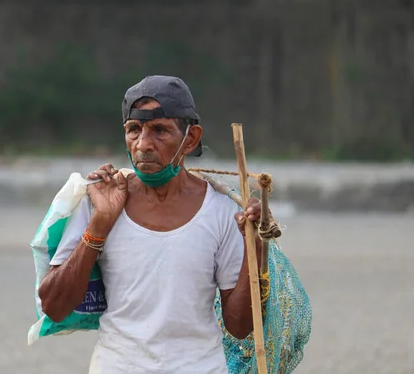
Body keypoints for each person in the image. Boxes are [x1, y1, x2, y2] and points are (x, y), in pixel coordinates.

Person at [38, 75, 266, 373]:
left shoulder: (222, 210)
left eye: (160, 131)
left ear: (191, 139)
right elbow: (54, 307)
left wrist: (256, 243)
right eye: (134, 130)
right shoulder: (99, 199)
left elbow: (239, 326)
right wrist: (99, 225)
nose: (143, 144)